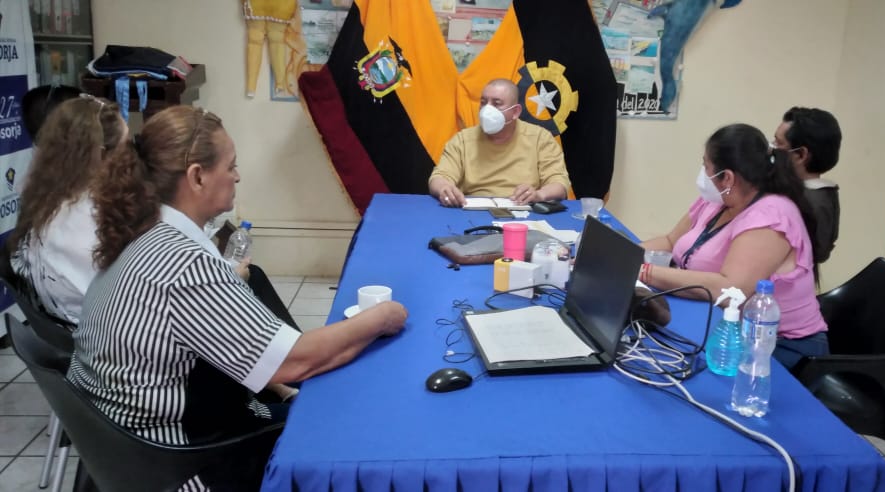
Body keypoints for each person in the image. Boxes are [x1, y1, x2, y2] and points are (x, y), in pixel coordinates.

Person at [69, 105, 408, 489]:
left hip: (134, 456)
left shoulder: (140, 234)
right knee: (359, 438)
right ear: (197, 176)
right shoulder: (185, 265)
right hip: (187, 465)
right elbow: (294, 362)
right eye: (230, 166)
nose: (237, 176)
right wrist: (380, 318)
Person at [639, 123, 828, 369]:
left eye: (706, 166)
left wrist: (643, 271)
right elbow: (670, 241)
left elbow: (731, 289)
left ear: (727, 177)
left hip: (777, 346)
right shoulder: (716, 201)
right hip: (720, 323)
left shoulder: (771, 216)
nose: (703, 173)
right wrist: (619, 251)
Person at [8, 95, 126, 325]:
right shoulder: (91, 218)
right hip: (98, 333)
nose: (130, 160)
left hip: (64, 323)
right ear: (101, 156)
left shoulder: (44, 199)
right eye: (125, 150)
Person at [429, 79, 571, 207]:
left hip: (525, 210)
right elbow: (439, 177)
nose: (487, 109)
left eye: (496, 104)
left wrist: (539, 195)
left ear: (515, 112)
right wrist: (444, 189)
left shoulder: (540, 138)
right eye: (483, 102)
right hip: (473, 210)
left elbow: (559, 183)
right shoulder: (462, 140)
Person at [773, 107, 842, 263]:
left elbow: (816, 253)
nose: (772, 148)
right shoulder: (820, 194)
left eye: (779, 143)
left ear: (801, 155)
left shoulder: (812, 201)